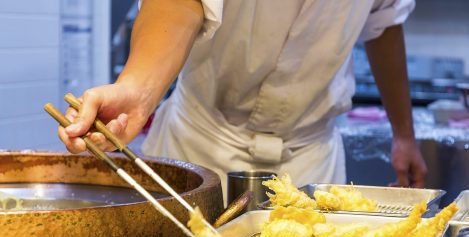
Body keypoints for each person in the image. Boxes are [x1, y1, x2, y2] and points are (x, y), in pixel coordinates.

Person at [58, 0, 427, 197]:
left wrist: (404, 134)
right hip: (203, 145)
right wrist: (137, 89)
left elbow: (384, 21)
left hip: (310, 158)